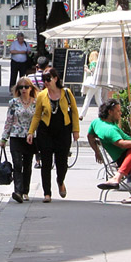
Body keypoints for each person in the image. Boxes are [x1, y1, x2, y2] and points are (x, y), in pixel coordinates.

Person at [26, 68, 79, 203]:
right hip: (45, 132)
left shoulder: (66, 93)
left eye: (48, 79)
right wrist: (31, 132)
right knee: (46, 163)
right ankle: (47, 193)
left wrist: (76, 130)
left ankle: (60, 181)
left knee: (62, 163)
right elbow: (37, 115)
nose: (46, 82)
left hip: (63, 131)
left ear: (55, 79)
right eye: (44, 80)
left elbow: (74, 112)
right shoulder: (42, 95)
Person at [91, 98, 131, 204]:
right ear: (110, 112)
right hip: (125, 155)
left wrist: (97, 151)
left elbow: (90, 136)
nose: (120, 113)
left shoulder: (96, 122)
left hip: (130, 156)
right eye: (118, 111)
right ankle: (119, 177)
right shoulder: (110, 130)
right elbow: (121, 144)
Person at [1, 77, 37, 203]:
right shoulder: (13, 102)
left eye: (26, 87)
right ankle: (18, 191)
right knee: (17, 164)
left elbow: (39, 120)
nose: (23, 89)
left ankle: (25, 191)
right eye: (20, 87)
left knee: (27, 164)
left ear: (31, 88)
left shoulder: (36, 102)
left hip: (30, 137)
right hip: (16, 136)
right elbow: (9, 120)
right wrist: (4, 138)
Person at [81, 50, 104, 119]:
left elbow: (92, 71)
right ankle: (104, 112)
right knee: (98, 99)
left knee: (88, 98)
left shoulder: (93, 63)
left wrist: (86, 69)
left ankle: (82, 114)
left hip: (93, 83)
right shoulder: (99, 63)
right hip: (99, 83)